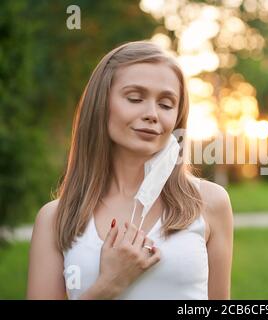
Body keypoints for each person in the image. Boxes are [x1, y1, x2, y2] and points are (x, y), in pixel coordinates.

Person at [27, 41, 234, 300]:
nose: (152, 114)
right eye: (135, 98)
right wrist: (110, 285)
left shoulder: (209, 203)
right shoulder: (55, 218)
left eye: (166, 104)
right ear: (101, 104)